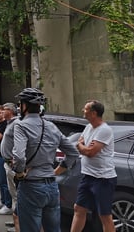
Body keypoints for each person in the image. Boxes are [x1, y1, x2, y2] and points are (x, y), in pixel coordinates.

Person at [12, 88, 79, 232]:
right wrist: (57, 171)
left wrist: (19, 173)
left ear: (25, 106)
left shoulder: (21, 125)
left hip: (31, 185)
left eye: (20, 104)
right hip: (51, 185)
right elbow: (73, 152)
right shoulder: (51, 126)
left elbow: (19, 157)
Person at [70, 100, 117, 232]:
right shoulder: (88, 127)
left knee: (104, 216)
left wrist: (82, 146)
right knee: (79, 208)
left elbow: (90, 152)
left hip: (103, 179)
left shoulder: (104, 130)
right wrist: (82, 146)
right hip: (88, 176)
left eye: (86, 109)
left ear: (94, 113)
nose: (83, 111)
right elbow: (81, 145)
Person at [0, 102, 20, 232]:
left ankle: (19, 223)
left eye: (5, 109)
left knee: (17, 195)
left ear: (11, 111)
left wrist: (15, 160)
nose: (2, 112)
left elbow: (19, 143)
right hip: (7, 163)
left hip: (12, 165)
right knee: (13, 194)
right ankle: (15, 221)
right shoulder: (9, 123)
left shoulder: (16, 124)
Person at [0, 105, 13, 215]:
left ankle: (8, 205)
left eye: (0, 112)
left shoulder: (5, 125)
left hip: (2, 156)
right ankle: (2, 200)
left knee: (4, 182)